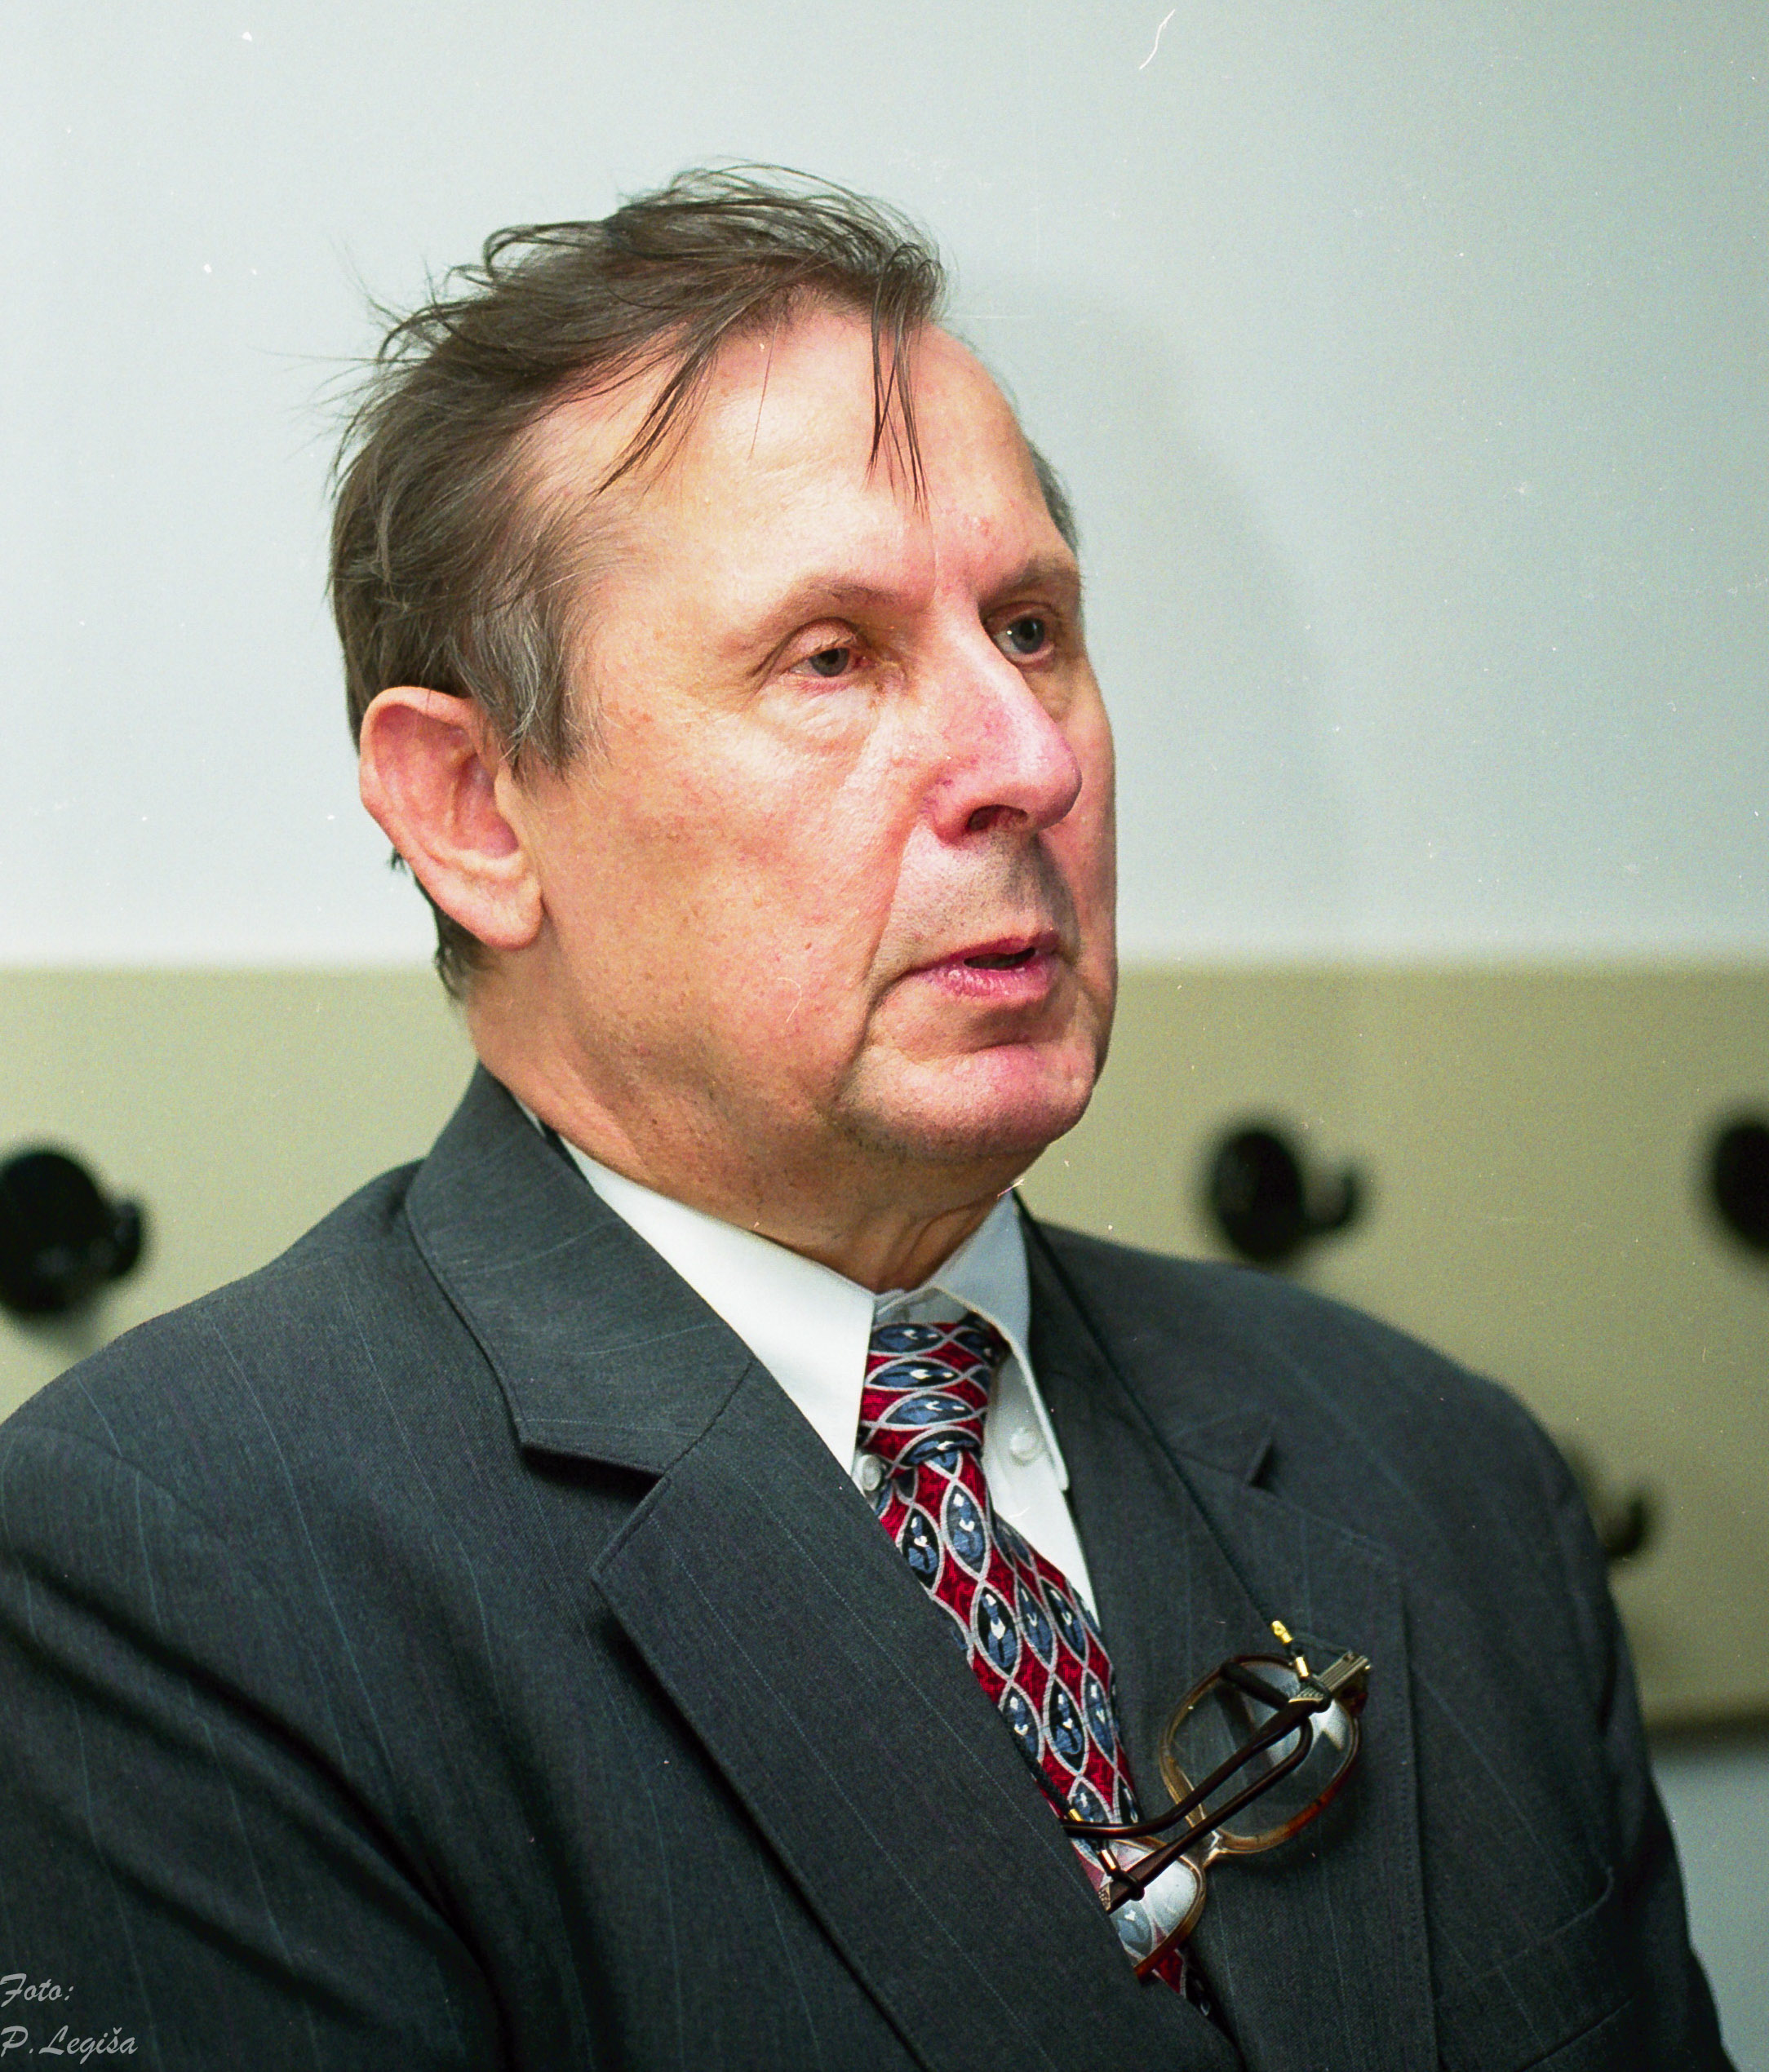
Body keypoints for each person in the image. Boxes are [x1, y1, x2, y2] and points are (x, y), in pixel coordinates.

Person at [0, 173, 1729, 2072]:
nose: (1029, 759)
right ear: (475, 810)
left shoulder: (1436, 1471)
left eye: (1032, 629)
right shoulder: (175, 1567)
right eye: (831, 656)